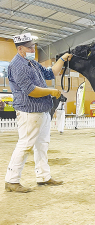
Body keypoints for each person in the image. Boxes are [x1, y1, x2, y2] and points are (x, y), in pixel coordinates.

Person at [5, 33, 72, 193]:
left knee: (42, 145)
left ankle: (43, 177)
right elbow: (30, 91)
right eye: (29, 47)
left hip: (41, 110)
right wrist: (52, 92)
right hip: (29, 111)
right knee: (25, 144)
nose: (32, 48)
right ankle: (11, 180)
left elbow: (50, 73)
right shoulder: (18, 65)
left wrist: (62, 59)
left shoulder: (32, 63)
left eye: (33, 46)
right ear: (20, 48)